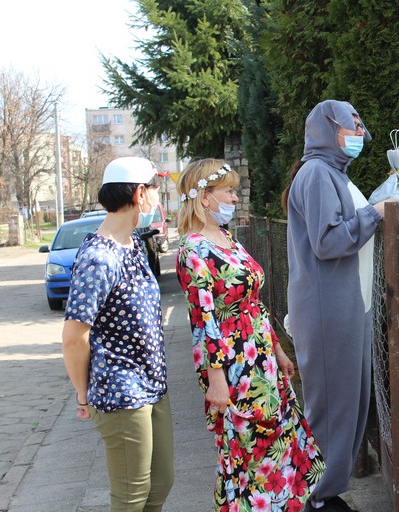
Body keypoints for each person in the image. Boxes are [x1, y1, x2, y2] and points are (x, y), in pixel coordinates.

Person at [175, 159, 324, 512]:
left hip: (262, 361)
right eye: (228, 191)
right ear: (205, 197)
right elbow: (204, 320)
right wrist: (216, 380)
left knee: (280, 443)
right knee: (251, 450)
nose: (234, 198)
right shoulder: (193, 250)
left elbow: (252, 303)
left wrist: (278, 350)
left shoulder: (226, 239)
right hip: (234, 368)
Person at [282, 100, 394, 512]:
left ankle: (325, 492)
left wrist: (379, 208)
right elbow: (328, 241)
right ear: (329, 129)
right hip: (329, 309)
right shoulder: (316, 173)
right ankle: (315, 496)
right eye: (353, 125)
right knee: (332, 406)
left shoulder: (332, 173)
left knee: (348, 403)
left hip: (346, 306)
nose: (360, 133)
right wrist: (375, 214)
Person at [62, 156, 174, 512]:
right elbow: (74, 336)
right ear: (140, 194)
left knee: (161, 483)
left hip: (152, 384)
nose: (158, 195)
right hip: (121, 392)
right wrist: (83, 394)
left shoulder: (133, 245)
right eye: (155, 188)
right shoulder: (99, 257)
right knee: (131, 496)